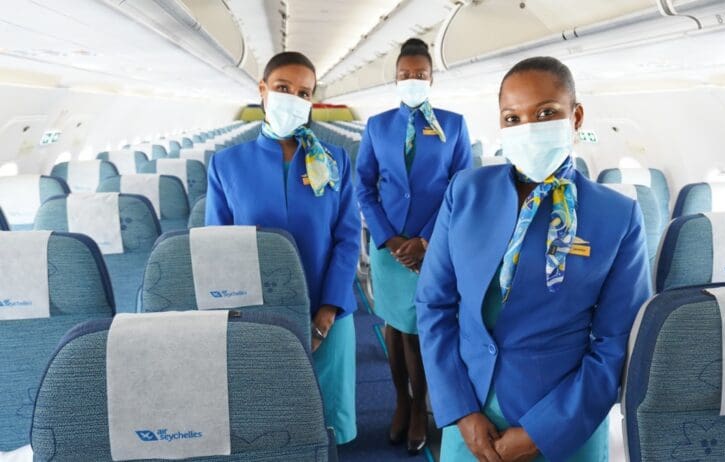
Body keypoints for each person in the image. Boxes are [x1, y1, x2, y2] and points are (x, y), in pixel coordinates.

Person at [416, 56, 652, 462]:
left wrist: (542, 431)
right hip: (471, 414)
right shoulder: (466, 193)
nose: (528, 127)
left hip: (565, 425)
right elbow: (434, 305)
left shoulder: (617, 215)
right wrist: (461, 410)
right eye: (513, 118)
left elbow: (616, 342)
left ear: (575, 117)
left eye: (546, 113)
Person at [205, 51, 360, 445]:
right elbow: (218, 248)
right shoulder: (227, 164)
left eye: (304, 93)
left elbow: (346, 238)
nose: (293, 98)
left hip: (328, 309)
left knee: (327, 423)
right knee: (271, 424)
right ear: (263, 89)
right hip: (258, 315)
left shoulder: (333, 159)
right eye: (283, 88)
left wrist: (326, 314)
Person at [356, 38, 473, 454]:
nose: (412, 81)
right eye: (405, 75)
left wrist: (425, 238)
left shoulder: (454, 124)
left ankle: (420, 409)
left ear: (431, 79)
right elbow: (364, 187)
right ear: (395, 78)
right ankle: (401, 402)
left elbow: (461, 186)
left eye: (419, 75)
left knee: (420, 329)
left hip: (432, 245)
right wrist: (390, 238)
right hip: (391, 250)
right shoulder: (377, 126)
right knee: (393, 323)